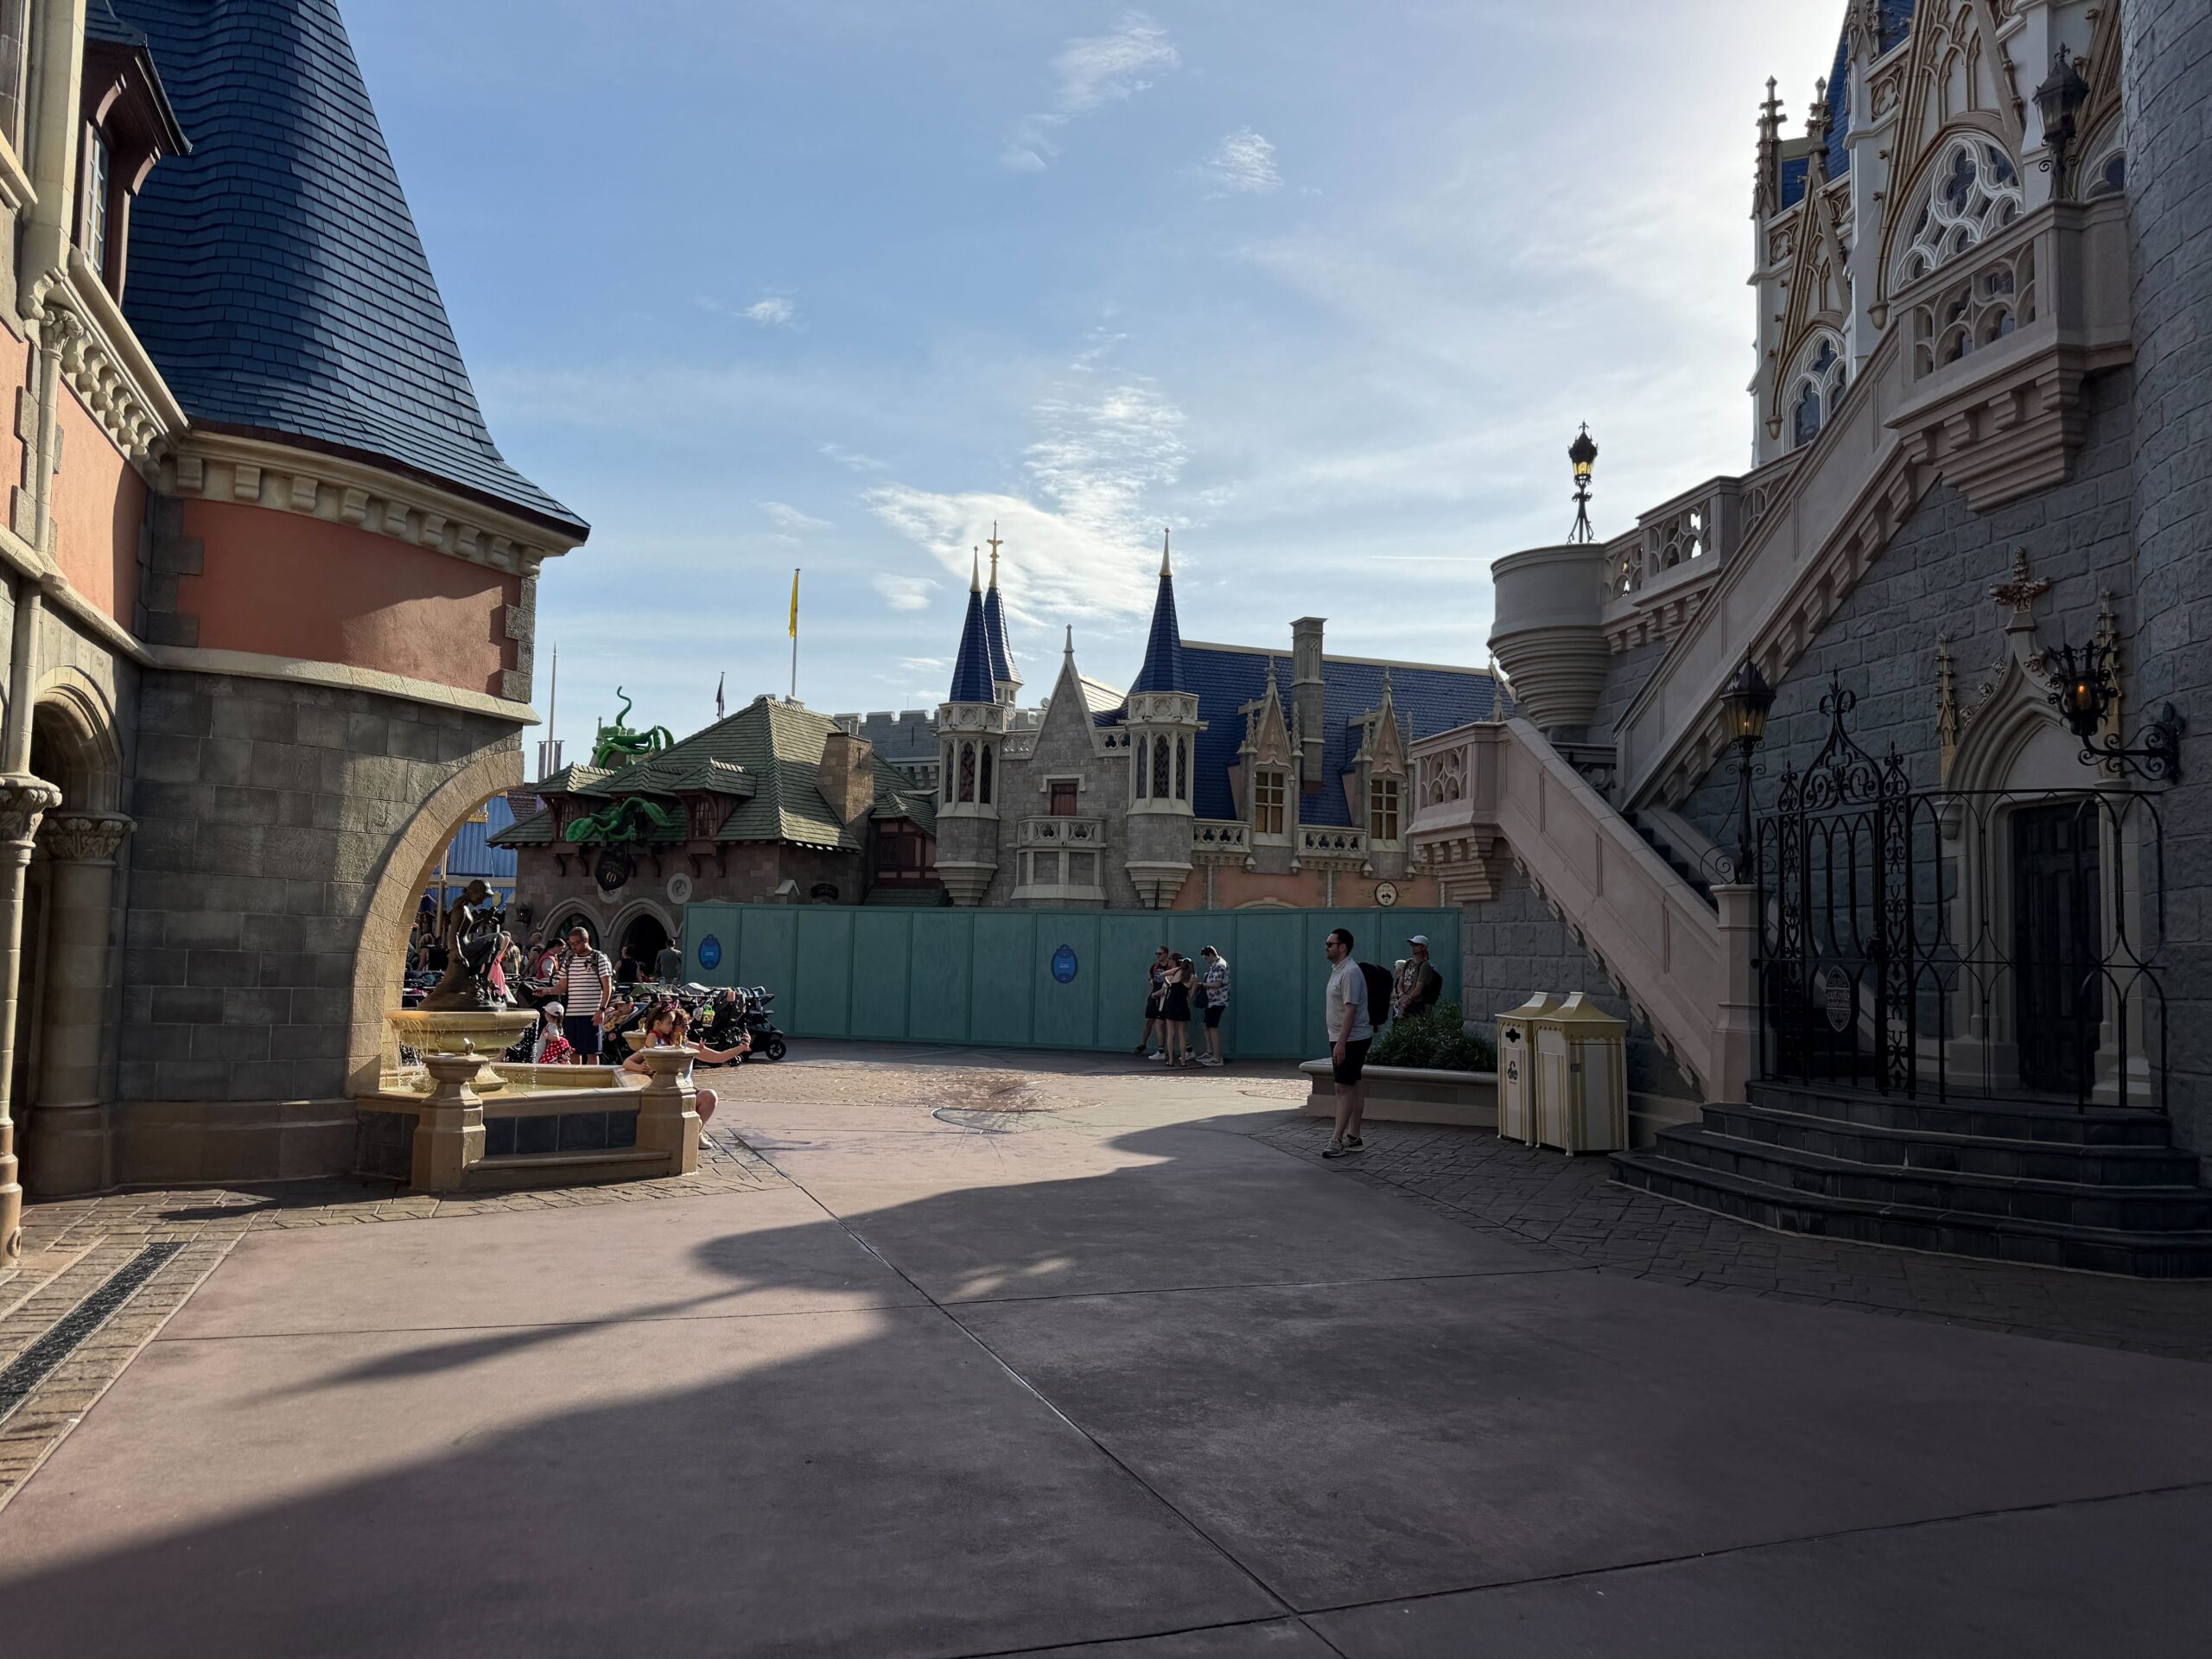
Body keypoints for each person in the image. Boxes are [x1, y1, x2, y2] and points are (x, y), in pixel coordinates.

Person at [623, 1004, 746, 1127]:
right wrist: (642, 1068)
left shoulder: (686, 1045)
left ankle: (697, 1133)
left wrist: (743, 1047)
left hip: (687, 1091)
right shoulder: (659, 1043)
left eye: (688, 1025)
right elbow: (629, 1061)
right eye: (682, 1025)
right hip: (666, 1093)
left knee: (710, 1096)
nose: (687, 1028)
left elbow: (718, 1057)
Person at [1321, 925, 1372, 1159]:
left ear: (1343, 947)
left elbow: (1351, 1010)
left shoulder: (1350, 972)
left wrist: (1341, 1043)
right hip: (1344, 1037)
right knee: (1353, 1084)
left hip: (1351, 1039)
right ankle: (1354, 1137)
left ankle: (1337, 1140)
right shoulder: (1338, 969)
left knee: (1342, 1087)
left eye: (1330, 944)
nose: (1327, 947)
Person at [557, 926, 614, 1061]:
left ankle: (592, 1081)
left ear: (586, 940)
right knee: (573, 1052)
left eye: (576, 943)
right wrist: (546, 991)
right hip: (572, 1013)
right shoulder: (569, 959)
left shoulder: (598, 958)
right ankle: (576, 1080)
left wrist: (601, 1010)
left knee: (592, 1052)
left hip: (591, 1013)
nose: (573, 947)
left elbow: (608, 987)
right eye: (571, 943)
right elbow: (561, 987)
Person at [1135, 944, 1173, 1059]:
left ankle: (1164, 1050)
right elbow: (1149, 974)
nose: (1158, 956)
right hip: (1154, 995)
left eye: (1160, 954)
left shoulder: (1170, 966)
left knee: (1164, 1023)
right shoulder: (1155, 966)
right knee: (1149, 1021)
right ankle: (1143, 1044)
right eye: (1156, 954)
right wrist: (1150, 980)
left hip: (1165, 996)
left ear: (1166, 954)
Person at [1395, 934, 1443, 1020]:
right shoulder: (1408, 963)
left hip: (1415, 1004)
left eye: (1416, 945)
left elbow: (1418, 989)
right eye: (1412, 945)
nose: (1413, 947)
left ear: (1423, 947)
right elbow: (1400, 982)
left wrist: (1408, 999)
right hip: (1402, 1002)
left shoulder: (1425, 966)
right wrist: (1402, 995)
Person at [1197, 944, 1230, 1066]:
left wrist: (1202, 985)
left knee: (1212, 1027)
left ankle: (1217, 1057)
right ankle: (1210, 1053)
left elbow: (1217, 984)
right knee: (1207, 1025)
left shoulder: (1219, 966)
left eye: (1206, 958)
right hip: (1212, 1002)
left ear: (1211, 955)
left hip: (1218, 1001)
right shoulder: (1215, 965)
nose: (1207, 961)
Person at [1160, 954, 1193, 1067]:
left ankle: (1170, 1060)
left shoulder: (1177, 971)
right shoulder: (1193, 977)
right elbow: (1191, 995)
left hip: (1171, 1003)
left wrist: (1168, 983)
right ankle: (1183, 1061)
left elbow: (1162, 974)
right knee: (1182, 1034)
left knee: (1171, 1033)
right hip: (1182, 1005)